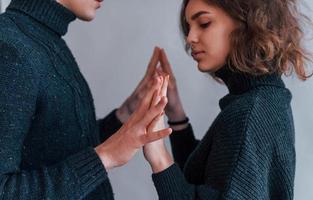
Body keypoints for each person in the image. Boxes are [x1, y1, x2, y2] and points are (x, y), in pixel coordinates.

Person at [119, 0, 312, 199]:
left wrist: (158, 156)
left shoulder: (250, 112)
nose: (190, 38)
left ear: (246, 23)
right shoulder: (263, 99)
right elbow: (206, 179)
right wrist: (176, 115)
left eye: (203, 23)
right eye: (189, 27)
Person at [0, 0, 172, 199]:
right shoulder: (10, 48)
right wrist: (105, 157)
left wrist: (127, 112)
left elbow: (58, 146)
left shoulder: (43, 38)